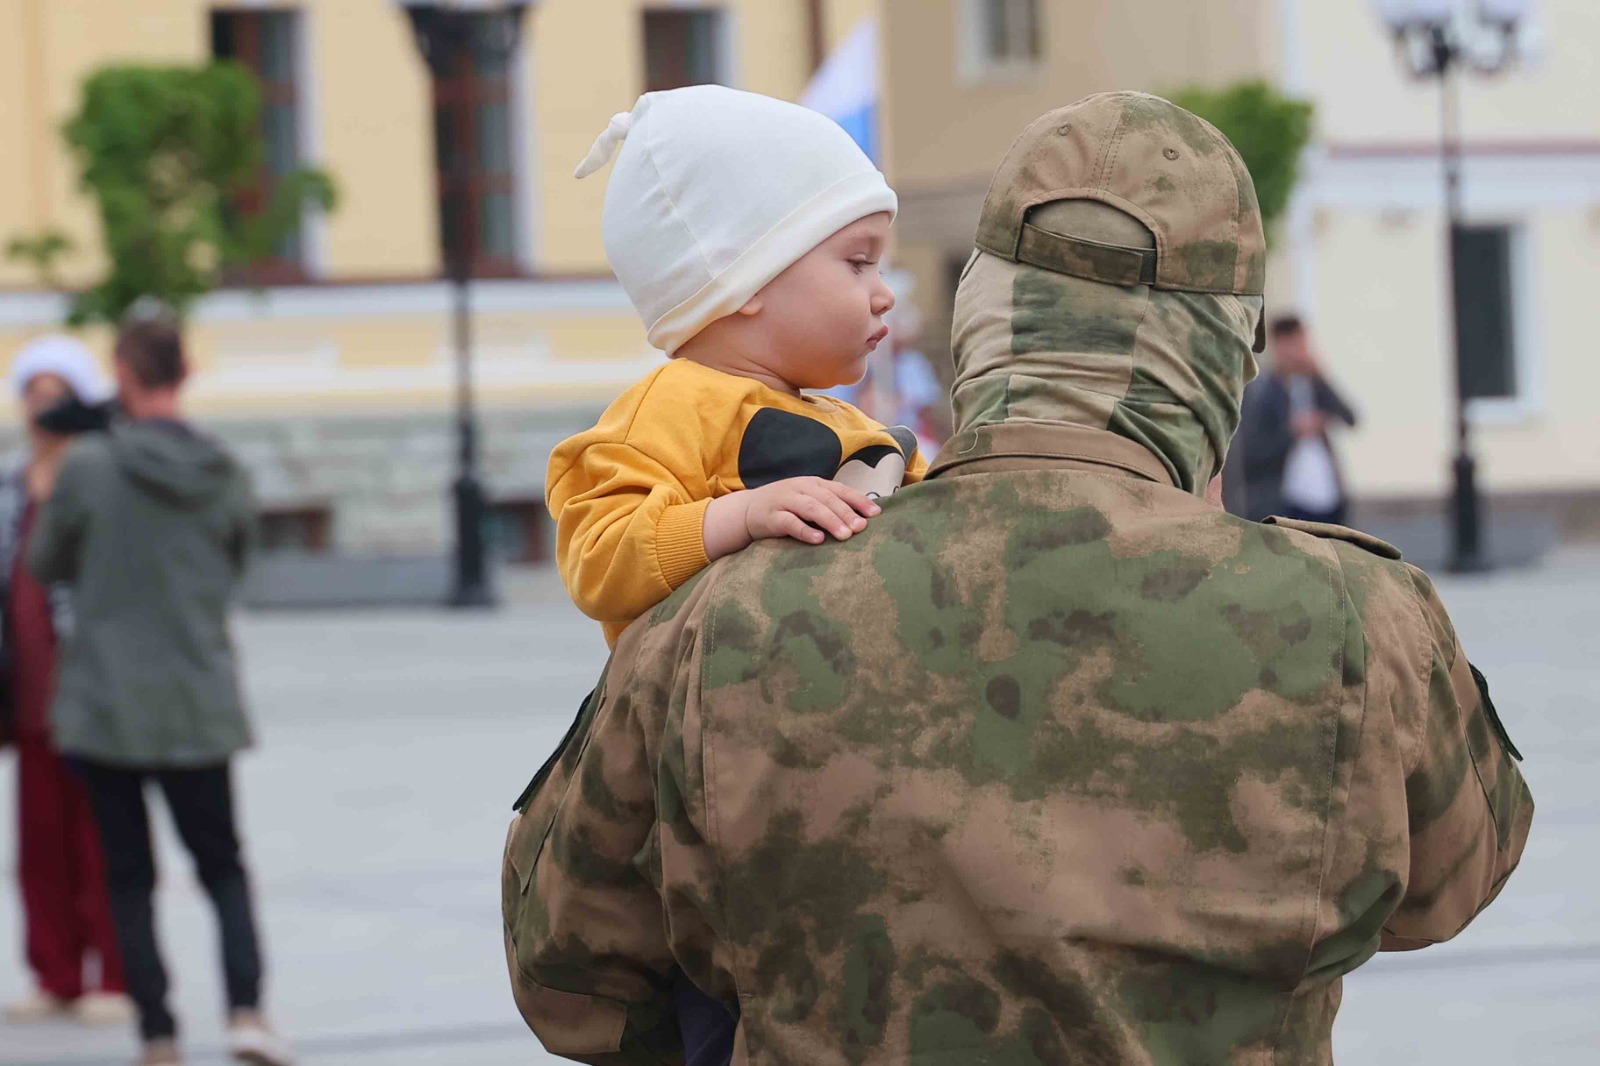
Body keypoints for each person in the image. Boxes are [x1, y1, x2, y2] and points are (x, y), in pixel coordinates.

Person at [501, 92, 1533, 1063]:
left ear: (987, 319)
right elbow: (1446, 883)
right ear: (1222, 355)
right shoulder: (1354, 615)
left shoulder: (723, 609)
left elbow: (568, 971)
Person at [550, 85, 923, 652]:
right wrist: (741, 515)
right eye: (858, 263)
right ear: (740, 278)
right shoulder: (673, 409)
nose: (884, 294)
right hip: (712, 727)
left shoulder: (859, 428)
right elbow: (599, 560)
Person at [27, 319, 292, 1066]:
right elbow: (239, 564)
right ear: (186, 373)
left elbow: (46, 564)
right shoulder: (222, 469)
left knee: (130, 875)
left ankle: (158, 1034)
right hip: (198, 697)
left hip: (106, 702)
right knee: (223, 865)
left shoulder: (87, 466)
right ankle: (245, 1012)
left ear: (122, 371)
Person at [0, 336, 130, 1027]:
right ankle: (53, 971)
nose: (40, 405)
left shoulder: (102, 475)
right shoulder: (11, 485)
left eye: (54, 392)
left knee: (100, 839)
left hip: (94, 694)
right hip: (27, 695)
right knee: (39, 843)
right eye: (31, 391)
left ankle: (111, 971)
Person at [1239, 314, 1359, 524]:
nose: (1299, 351)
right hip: (1284, 505)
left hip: (1328, 500)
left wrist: (1322, 376)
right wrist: (1293, 432)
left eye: (1302, 343)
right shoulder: (1263, 391)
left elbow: (1351, 418)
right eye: (1292, 344)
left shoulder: (1314, 383)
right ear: (1279, 346)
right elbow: (1252, 454)